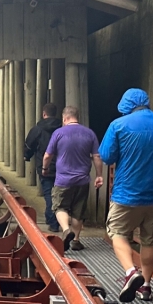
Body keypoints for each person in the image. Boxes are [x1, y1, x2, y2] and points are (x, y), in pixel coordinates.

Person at [99, 88, 153, 303]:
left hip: (128, 193)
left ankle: (131, 272)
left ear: (126, 105)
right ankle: (146, 286)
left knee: (117, 232)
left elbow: (106, 156)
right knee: (150, 240)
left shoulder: (119, 125)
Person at [43, 106, 103, 251]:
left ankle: (65, 229)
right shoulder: (89, 133)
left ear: (64, 118)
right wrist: (99, 175)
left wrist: (45, 168)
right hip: (82, 180)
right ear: (77, 117)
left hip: (63, 180)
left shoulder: (58, 133)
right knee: (78, 211)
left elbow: (47, 155)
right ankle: (76, 240)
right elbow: (96, 156)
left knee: (59, 206)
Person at [23, 103, 62, 231]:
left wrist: (26, 156)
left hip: (45, 167)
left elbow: (29, 144)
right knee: (60, 195)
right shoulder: (62, 128)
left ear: (44, 114)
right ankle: (58, 219)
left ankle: (53, 222)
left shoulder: (37, 129)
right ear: (55, 114)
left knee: (48, 194)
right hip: (62, 167)